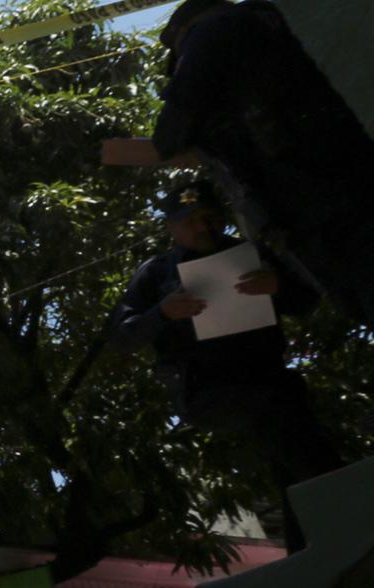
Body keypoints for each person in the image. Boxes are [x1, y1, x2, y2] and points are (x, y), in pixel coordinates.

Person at [109, 180, 343, 552]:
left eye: (209, 218)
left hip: (267, 378)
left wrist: (277, 285)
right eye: (190, 221)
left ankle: (312, 548)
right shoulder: (156, 273)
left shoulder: (251, 254)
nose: (203, 227)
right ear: (171, 227)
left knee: (290, 452)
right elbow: (120, 337)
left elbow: (311, 297)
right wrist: (162, 313)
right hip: (207, 391)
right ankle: (346, 509)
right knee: (294, 433)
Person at [148, 0, 374, 325]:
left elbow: (169, 135)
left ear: (183, 32)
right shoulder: (279, 26)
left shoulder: (211, 31)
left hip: (326, 204)